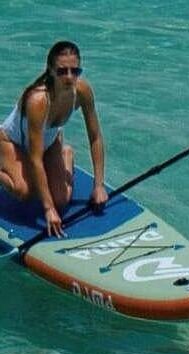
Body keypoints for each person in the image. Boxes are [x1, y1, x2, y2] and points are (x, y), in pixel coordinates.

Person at [0, 41, 108, 238]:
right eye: (62, 71)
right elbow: (35, 159)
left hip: (49, 142)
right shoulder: (38, 101)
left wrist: (99, 185)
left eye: (75, 71)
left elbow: (95, 137)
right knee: (25, 191)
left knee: (61, 200)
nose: (69, 77)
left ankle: (66, 154)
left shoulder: (82, 91)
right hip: (11, 142)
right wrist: (48, 209)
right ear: (51, 70)